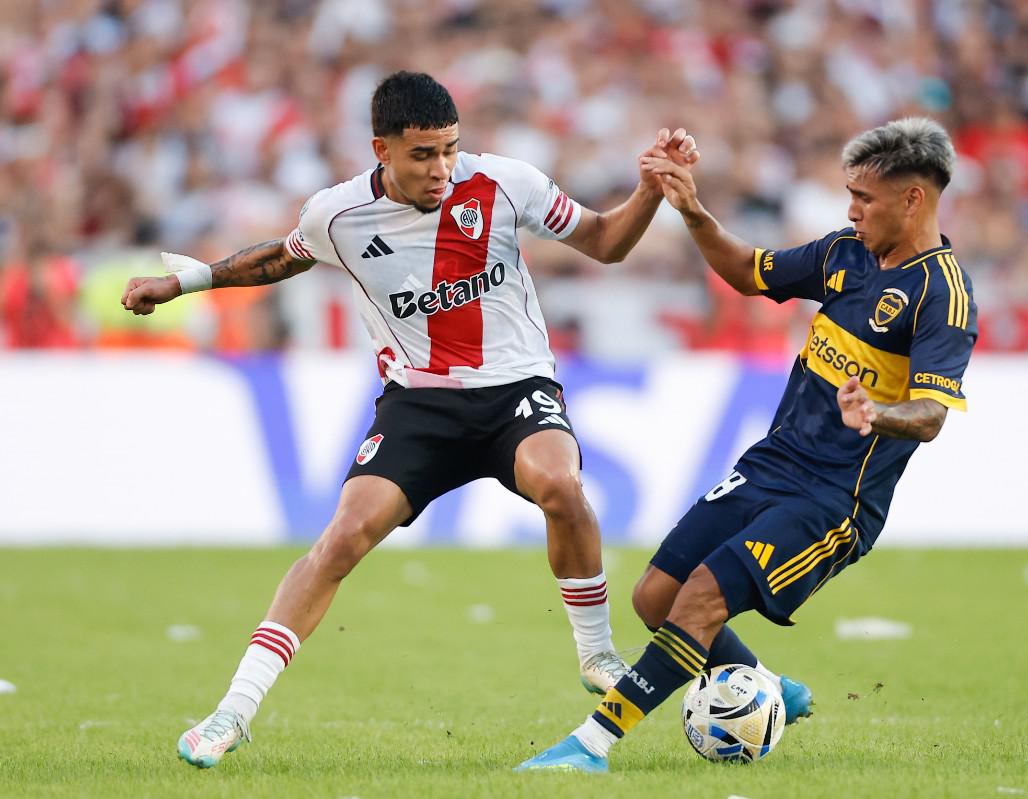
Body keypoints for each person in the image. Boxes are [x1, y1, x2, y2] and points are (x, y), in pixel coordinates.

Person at [120, 71, 698, 768]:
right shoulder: (337, 215)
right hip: (419, 404)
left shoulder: (507, 182)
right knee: (341, 539)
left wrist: (649, 190)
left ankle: (597, 654)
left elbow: (606, 243)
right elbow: (279, 257)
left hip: (515, 386)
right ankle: (233, 711)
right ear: (382, 150)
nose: (441, 168)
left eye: (450, 149)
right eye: (423, 154)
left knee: (560, 483)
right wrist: (185, 281)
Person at [517, 117, 977, 773]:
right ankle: (772, 686)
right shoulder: (843, 253)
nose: (851, 210)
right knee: (655, 596)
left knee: (701, 596)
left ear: (913, 199)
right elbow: (747, 271)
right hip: (772, 463)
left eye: (864, 198)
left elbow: (931, 413)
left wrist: (878, 412)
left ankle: (590, 745)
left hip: (834, 499)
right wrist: (692, 209)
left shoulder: (943, 295)